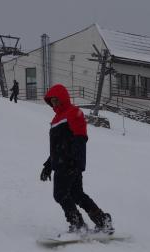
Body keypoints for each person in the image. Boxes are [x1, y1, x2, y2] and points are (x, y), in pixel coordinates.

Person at [40, 84, 114, 234]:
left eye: (56, 100)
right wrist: (48, 166)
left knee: (60, 194)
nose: (54, 103)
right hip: (62, 163)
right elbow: (57, 148)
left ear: (63, 98)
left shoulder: (73, 113)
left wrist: (76, 160)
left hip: (69, 163)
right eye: (52, 101)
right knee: (76, 194)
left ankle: (78, 224)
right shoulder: (56, 119)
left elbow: (81, 138)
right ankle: (102, 221)